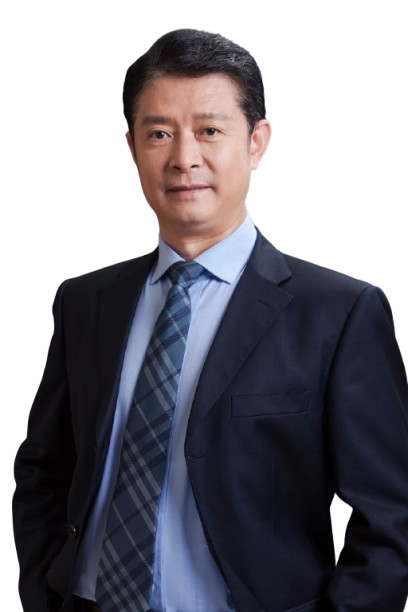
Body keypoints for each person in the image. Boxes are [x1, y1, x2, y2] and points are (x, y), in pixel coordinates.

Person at [12, 28, 408, 612]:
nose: (184, 158)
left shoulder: (340, 311)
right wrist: (43, 587)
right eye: (159, 133)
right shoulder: (86, 301)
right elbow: (44, 467)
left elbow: (392, 516)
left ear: (257, 142)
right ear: (132, 148)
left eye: (210, 130)